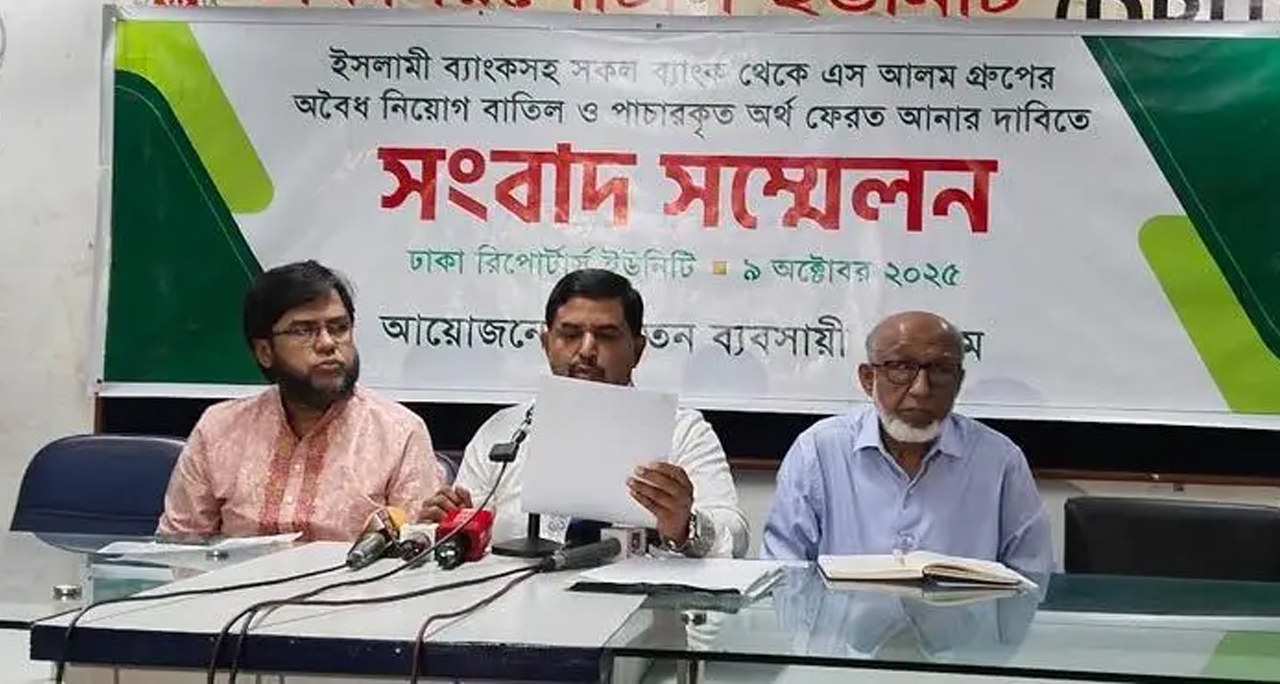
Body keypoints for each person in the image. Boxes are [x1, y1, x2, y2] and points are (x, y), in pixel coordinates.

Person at [426, 269, 749, 558]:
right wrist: (449, 524)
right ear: (546, 343)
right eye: (570, 334)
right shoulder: (503, 432)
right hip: (518, 602)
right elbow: (467, 527)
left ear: (637, 349)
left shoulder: (682, 431)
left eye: (606, 336)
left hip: (641, 603)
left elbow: (735, 538)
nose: (586, 350)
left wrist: (684, 526)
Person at [157, 260, 438, 541]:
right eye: (304, 330)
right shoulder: (219, 429)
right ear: (265, 351)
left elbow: (415, 549)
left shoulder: (399, 433)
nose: (327, 343)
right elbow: (176, 546)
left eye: (339, 327)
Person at [760, 311, 1053, 575]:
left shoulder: (999, 460)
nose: (921, 389)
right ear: (868, 379)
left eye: (940, 370)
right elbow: (784, 574)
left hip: (963, 620)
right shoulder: (817, 452)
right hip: (844, 621)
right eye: (901, 367)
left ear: (958, 381)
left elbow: (1033, 578)